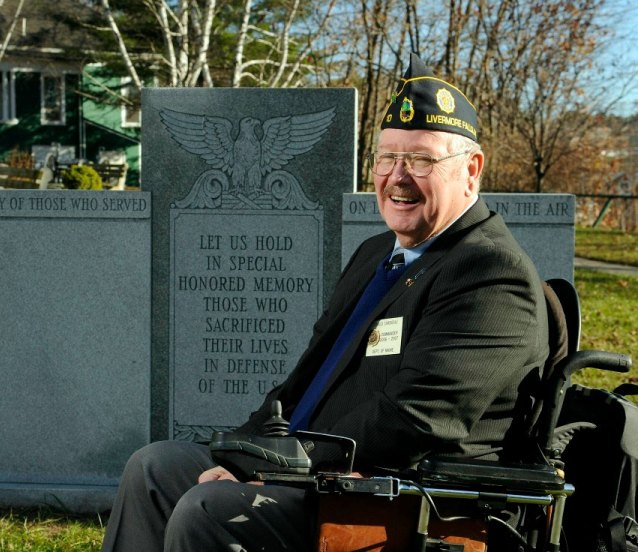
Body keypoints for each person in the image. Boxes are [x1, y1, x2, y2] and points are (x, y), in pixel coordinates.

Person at [101, 53, 549, 552]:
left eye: (421, 160)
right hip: (317, 472)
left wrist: (283, 466)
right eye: (387, 158)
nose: (397, 177)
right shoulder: (377, 254)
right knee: (154, 469)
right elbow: (305, 382)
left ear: (471, 170)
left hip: (398, 499)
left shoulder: (489, 274)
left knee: (208, 510)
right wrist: (241, 455)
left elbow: (417, 418)